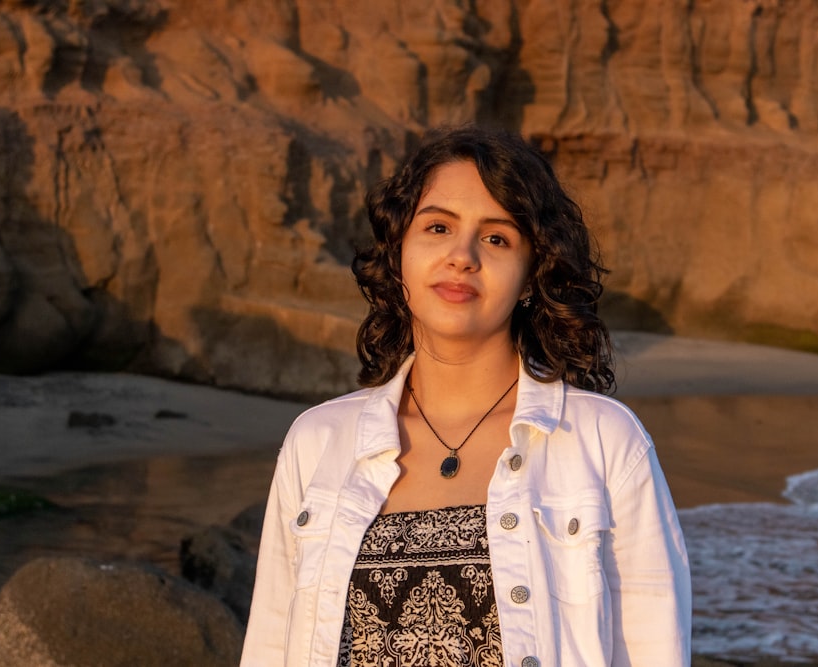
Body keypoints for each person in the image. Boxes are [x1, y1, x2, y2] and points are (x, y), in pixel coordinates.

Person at [240, 126, 691, 667]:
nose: (462, 256)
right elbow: (270, 645)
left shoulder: (605, 442)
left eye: (496, 238)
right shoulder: (317, 444)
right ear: (400, 252)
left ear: (530, 277)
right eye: (437, 227)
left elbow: (654, 649)